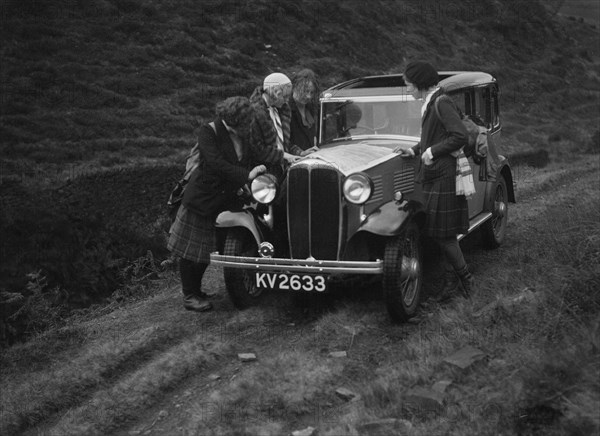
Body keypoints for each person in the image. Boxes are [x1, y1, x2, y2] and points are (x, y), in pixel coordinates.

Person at [167, 96, 280, 312]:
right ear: (235, 120)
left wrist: (289, 156)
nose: (249, 128)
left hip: (224, 199)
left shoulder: (242, 135)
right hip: (202, 198)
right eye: (245, 124)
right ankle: (189, 295)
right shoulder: (208, 132)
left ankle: (196, 292)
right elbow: (216, 164)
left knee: (205, 249)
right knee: (190, 251)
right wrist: (247, 175)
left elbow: (257, 154)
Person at [394, 61, 474, 299]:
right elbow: (433, 136)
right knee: (440, 233)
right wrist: (416, 150)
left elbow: (460, 135)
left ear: (419, 84)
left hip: (443, 175)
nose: (408, 90)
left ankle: (466, 281)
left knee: (444, 235)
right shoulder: (432, 101)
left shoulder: (442, 102)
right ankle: (452, 281)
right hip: (435, 175)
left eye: (409, 85)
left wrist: (432, 152)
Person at [250, 72, 306, 178]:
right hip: (264, 174)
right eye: (285, 96)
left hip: (283, 170)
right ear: (275, 92)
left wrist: (300, 153)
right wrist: (285, 156)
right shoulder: (255, 113)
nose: (287, 100)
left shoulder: (281, 110)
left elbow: (283, 143)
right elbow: (257, 149)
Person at [290, 69, 320, 154]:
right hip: (293, 161)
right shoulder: (285, 108)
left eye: (312, 92)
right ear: (295, 86)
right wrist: (300, 153)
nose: (309, 96)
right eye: (305, 91)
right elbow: (282, 142)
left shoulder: (311, 108)